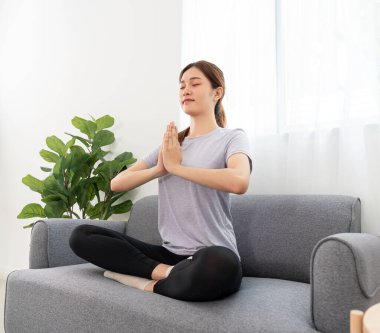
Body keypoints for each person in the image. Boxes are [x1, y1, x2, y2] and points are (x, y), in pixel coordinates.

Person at [69, 60, 253, 302]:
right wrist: (159, 169)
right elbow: (117, 183)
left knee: (221, 264)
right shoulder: (171, 144)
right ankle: (168, 274)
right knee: (82, 236)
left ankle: (143, 282)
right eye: (182, 86)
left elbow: (239, 182)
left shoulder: (232, 138)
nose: (186, 90)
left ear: (217, 93)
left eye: (195, 84)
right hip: (169, 255)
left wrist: (177, 168)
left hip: (210, 253)